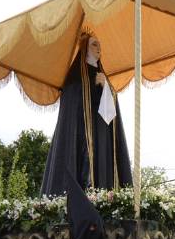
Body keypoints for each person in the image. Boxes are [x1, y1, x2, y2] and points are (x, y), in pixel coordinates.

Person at [40, 32, 133, 195]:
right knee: (83, 166)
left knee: (101, 165)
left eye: (100, 46)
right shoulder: (74, 78)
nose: (99, 49)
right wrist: (91, 83)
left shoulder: (103, 76)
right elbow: (71, 100)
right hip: (81, 134)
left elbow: (111, 112)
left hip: (101, 133)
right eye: (94, 44)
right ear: (85, 49)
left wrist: (106, 87)